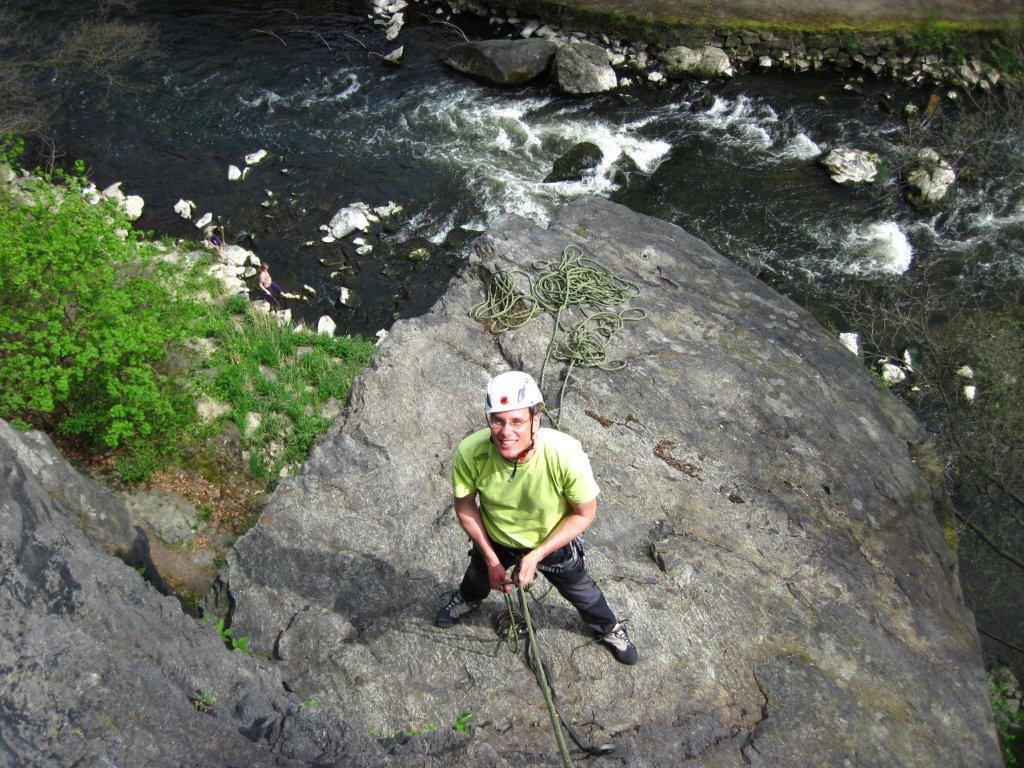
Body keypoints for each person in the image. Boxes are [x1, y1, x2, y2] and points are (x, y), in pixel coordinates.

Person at [436, 370, 638, 665]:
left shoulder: (564, 453)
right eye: (498, 421)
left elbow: (584, 513)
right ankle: (468, 598)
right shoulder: (471, 452)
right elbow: (465, 506)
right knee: (479, 574)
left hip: (550, 539)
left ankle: (608, 628)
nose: (507, 432)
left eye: (517, 421)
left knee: (581, 589)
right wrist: (492, 559)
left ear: (535, 420)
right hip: (497, 536)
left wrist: (536, 555)